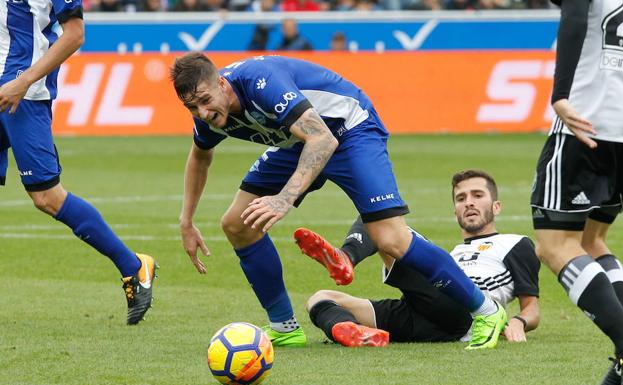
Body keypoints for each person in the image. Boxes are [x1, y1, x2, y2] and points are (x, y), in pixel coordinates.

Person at [170, 52, 506, 349]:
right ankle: (284, 328)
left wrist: (284, 198)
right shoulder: (210, 112)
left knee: (390, 238)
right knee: (237, 224)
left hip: (350, 130)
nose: (201, 112)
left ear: (223, 85)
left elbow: (322, 138)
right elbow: (200, 157)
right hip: (299, 142)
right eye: (191, 107)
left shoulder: (260, 82)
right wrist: (186, 220)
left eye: (204, 100)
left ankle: (487, 312)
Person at [0, 0, 156, 325]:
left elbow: (74, 35)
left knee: (47, 197)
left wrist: (24, 81)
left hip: (22, 95)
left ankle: (133, 266)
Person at [300, 169, 540, 347]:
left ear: (496, 206)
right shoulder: (451, 255)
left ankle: (347, 257)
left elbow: (532, 308)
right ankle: (347, 330)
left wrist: (518, 321)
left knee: (378, 219)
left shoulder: (514, 242)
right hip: (424, 316)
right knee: (320, 298)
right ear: (454, 210)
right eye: (461, 198)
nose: (469, 203)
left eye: (477, 195)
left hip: (464, 311)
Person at [529, 0, 623, 382]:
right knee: (592, 240)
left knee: (554, 245)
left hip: (586, 126)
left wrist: (559, 94)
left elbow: (572, 18)